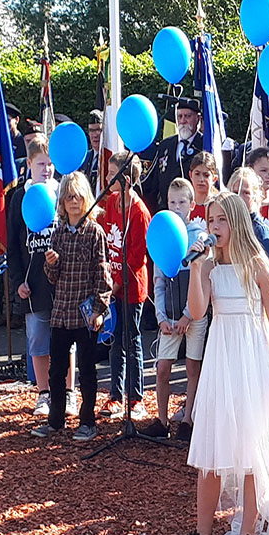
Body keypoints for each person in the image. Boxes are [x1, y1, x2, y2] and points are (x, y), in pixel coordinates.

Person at [178, 192, 269, 535]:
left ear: (235, 222)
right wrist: (196, 270)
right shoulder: (208, 266)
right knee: (211, 450)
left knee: (251, 449)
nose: (214, 227)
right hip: (221, 358)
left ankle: (248, 533)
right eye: (210, 220)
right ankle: (203, 532)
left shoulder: (257, 265)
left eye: (220, 221)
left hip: (253, 359)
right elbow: (198, 313)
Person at [31, 172, 111, 441]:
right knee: (57, 370)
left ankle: (87, 421)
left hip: (85, 314)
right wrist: (51, 263)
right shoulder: (58, 234)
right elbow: (52, 278)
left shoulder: (95, 232)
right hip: (61, 311)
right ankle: (56, 420)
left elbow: (103, 274)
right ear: (62, 202)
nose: (74, 201)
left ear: (86, 198)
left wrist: (99, 309)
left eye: (78, 196)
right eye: (68, 197)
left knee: (87, 369)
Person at [7, 139, 75, 417]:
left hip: (64, 281)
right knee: (37, 339)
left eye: (50, 164)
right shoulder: (19, 198)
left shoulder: (64, 194)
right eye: (40, 164)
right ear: (29, 165)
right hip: (33, 282)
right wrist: (16, 283)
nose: (46, 169)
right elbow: (13, 244)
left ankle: (69, 392)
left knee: (66, 339)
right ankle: (44, 393)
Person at [149, 178, 209, 440]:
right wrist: (161, 317)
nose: (176, 207)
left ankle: (187, 420)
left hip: (194, 315)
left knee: (193, 367)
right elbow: (158, 282)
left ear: (191, 204)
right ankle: (162, 421)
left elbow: (201, 278)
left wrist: (187, 314)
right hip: (170, 318)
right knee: (163, 368)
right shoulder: (163, 234)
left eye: (181, 202)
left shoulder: (199, 236)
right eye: (172, 202)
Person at [101, 151, 152, 421]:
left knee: (131, 340)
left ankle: (137, 397)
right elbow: (108, 237)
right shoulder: (111, 203)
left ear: (127, 179)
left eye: (113, 175)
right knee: (114, 341)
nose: (108, 178)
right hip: (113, 283)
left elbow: (136, 255)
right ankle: (115, 396)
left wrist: (118, 285)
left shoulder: (139, 212)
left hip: (131, 288)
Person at [227, 167, 269, 259]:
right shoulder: (227, 223)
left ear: (255, 196)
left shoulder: (260, 230)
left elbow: (265, 267)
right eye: (235, 192)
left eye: (246, 193)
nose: (239, 197)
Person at [189, 151, 218, 222]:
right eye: (197, 174)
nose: (201, 179)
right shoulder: (183, 203)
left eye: (206, 175)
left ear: (214, 179)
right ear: (190, 175)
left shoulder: (218, 206)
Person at [78, 109, 104, 188]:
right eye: (92, 130)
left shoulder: (111, 156)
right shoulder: (84, 158)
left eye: (99, 130)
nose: (95, 135)